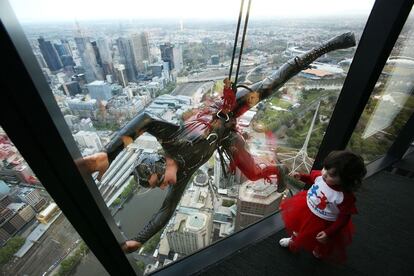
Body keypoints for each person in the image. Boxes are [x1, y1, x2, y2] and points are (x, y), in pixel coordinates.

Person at [84, 32, 356, 253]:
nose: (164, 185)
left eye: (158, 180)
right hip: (226, 136)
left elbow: (144, 119)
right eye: (160, 185)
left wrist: (109, 153)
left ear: (156, 164)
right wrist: (140, 239)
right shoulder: (183, 175)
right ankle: (279, 170)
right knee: (252, 173)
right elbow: (164, 213)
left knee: (272, 84)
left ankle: (329, 46)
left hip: (226, 108)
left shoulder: (172, 140)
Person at [279, 150, 367, 263]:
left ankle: (319, 249)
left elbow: (344, 218)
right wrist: (301, 176)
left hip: (324, 221)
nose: (324, 174)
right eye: (325, 168)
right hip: (306, 209)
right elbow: (312, 178)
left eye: (331, 175)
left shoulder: (344, 197)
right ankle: (293, 241)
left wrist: (329, 232)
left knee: (321, 239)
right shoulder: (320, 176)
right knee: (298, 229)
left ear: (346, 179)